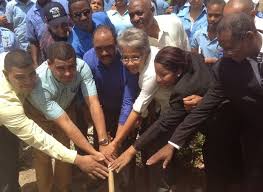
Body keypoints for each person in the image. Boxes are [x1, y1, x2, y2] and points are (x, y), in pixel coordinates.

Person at [144, 13, 263, 192]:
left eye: (230, 49)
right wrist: (173, 143)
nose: (225, 55)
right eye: (222, 49)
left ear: (249, 37)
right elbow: (206, 105)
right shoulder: (226, 65)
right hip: (253, 131)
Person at [0, 50, 109, 192]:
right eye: (20, 77)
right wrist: (80, 160)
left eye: (32, 74)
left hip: (12, 122)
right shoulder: (7, 104)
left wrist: (102, 143)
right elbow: (39, 139)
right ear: (5, 74)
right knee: (7, 170)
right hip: (8, 118)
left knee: (11, 161)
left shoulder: (8, 57)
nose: (29, 82)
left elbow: (91, 104)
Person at [108, 46, 212, 191]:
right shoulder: (190, 58)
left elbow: (164, 123)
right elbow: (202, 58)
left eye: (163, 75)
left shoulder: (184, 91)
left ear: (178, 71)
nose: (158, 79)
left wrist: (131, 150)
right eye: (156, 73)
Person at [83, 25, 138, 192]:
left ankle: (128, 185)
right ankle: (103, 183)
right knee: (102, 151)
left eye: (109, 47)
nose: (105, 53)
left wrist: (117, 139)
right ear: (93, 47)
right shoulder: (88, 59)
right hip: (102, 111)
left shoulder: (126, 57)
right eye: (99, 49)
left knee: (124, 149)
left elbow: (128, 100)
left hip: (126, 110)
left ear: (116, 43)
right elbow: (92, 99)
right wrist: (103, 135)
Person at [26, 0, 69, 67]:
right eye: (55, 26)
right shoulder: (46, 42)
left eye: (63, 24)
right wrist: (35, 63)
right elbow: (33, 41)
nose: (60, 29)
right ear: (47, 23)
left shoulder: (64, 3)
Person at [191, 0, 225, 64]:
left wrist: (216, 61)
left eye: (217, 16)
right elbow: (194, 59)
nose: (212, 19)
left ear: (224, 15)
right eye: (210, 15)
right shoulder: (198, 34)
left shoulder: (227, 37)